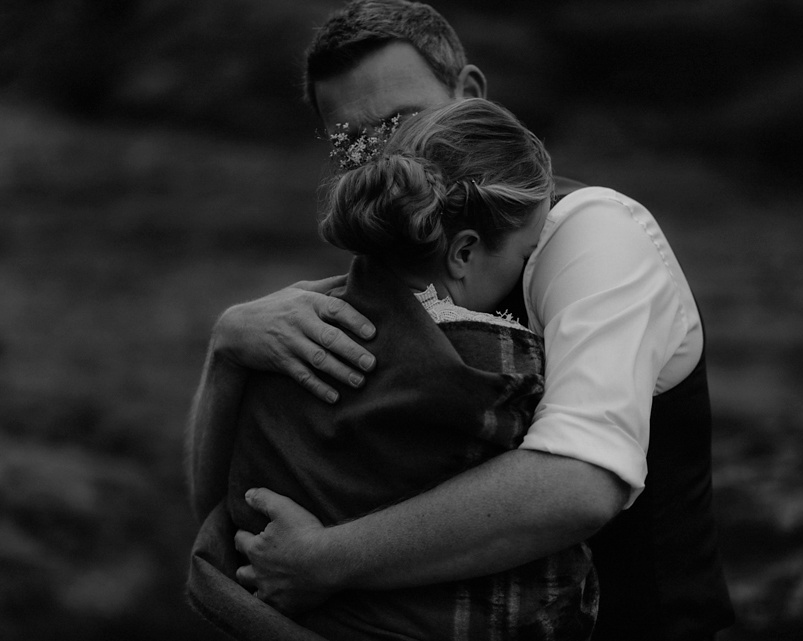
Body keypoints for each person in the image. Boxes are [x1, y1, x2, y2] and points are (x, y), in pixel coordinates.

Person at [185, 1, 735, 639]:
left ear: (469, 93)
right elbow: (231, 517)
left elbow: (582, 481)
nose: (386, 151)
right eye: (353, 140)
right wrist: (226, 353)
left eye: (403, 120)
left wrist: (325, 561)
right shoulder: (379, 267)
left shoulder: (587, 229)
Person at [190, 98, 598, 640]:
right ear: (464, 252)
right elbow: (563, 492)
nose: (529, 278)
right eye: (526, 258)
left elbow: (217, 499)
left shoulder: (282, 331)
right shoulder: (496, 363)